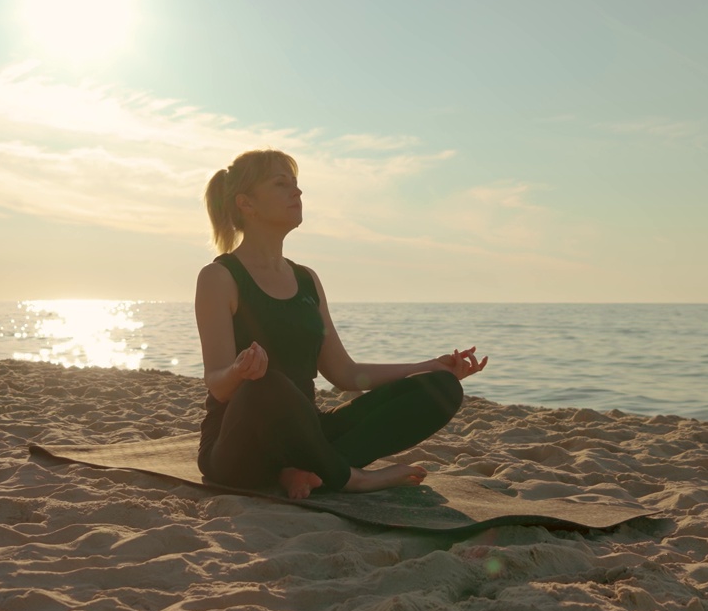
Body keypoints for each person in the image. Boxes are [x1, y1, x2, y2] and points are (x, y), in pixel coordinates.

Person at [195, 149, 488, 500]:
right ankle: (349, 477)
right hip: (240, 448)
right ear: (247, 203)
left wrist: (429, 367)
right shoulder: (219, 277)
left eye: (297, 184)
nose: (297, 192)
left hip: (307, 434)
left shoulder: (306, 279)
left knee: (441, 389)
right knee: (265, 384)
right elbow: (218, 386)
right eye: (281, 183)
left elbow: (344, 373)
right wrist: (240, 372)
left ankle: (303, 470)